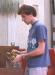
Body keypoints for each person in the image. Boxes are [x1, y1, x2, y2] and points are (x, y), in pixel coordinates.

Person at [14, 4, 50, 75]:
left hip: (38, 66)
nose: (22, 20)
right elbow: (34, 48)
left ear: (31, 14)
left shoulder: (40, 26)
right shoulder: (32, 28)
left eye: (23, 17)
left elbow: (40, 50)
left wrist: (23, 56)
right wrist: (23, 52)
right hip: (31, 65)